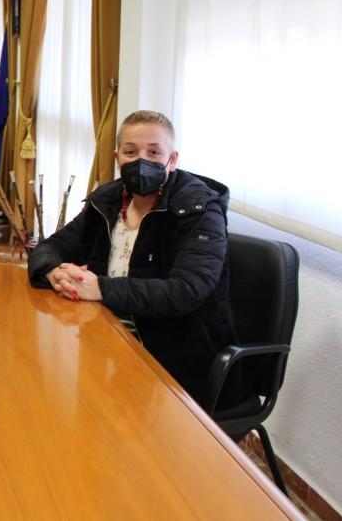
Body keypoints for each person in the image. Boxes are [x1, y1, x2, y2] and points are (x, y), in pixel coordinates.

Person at [27, 110, 242, 407]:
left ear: (172, 160)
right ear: (118, 158)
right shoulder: (108, 200)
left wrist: (100, 288)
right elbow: (52, 247)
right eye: (131, 152)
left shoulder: (199, 209)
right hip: (103, 337)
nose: (142, 161)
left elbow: (187, 290)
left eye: (154, 152)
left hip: (174, 360)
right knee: (39, 386)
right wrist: (53, 271)